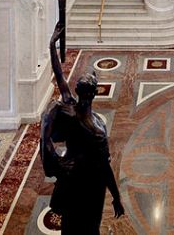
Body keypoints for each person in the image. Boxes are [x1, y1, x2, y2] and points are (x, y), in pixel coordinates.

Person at [41, 21, 124, 233]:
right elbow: (105, 168)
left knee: (70, 227)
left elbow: (59, 76)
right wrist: (116, 196)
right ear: (96, 93)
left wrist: (52, 44)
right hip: (91, 185)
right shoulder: (97, 129)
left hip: (70, 180)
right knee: (89, 227)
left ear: (77, 90)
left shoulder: (69, 108)